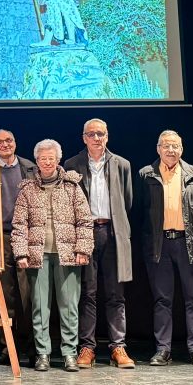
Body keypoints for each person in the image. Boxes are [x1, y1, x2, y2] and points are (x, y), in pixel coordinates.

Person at [11, 139, 92, 373]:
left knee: (69, 307)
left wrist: (82, 250)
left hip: (68, 256)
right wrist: (21, 253)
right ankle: (43, 353)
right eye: (42, 158)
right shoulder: (27, 189)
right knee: (39, 307)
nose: (47, 162)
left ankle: (69, 353)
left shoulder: (72, 186)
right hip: (38, 256)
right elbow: (19, 225)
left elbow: (84, 222)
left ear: (58, 160)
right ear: (36, 161)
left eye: (51, 158)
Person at [134, 130, 193, 367]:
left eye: (175, 146)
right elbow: (139, 210)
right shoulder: (146, 174)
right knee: (162, 300)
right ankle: (163, 349)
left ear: (182, 149)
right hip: (159, 245)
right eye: (166, 145)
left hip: (188, 243)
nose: (170, 150)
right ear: (158, 149)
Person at [64, 118, 134, 369]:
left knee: (116, 294)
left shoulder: (121, 164)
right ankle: (87, 347)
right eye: (91, 134)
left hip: (112, 233)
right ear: (83, 138)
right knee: (87, 293)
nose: (96, 138)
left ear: (107, 136)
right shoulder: (71, 165)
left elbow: (127, 202)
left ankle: (118, 346)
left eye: (100, 134)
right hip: (84, 235)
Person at [0, 129, 37, 365]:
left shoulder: (31, 168)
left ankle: (31, 347)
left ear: (16, 143)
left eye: (9, 140)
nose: (5, 145)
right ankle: (7, 346)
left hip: (27, 237)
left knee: (29, 294)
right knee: (3, 295)